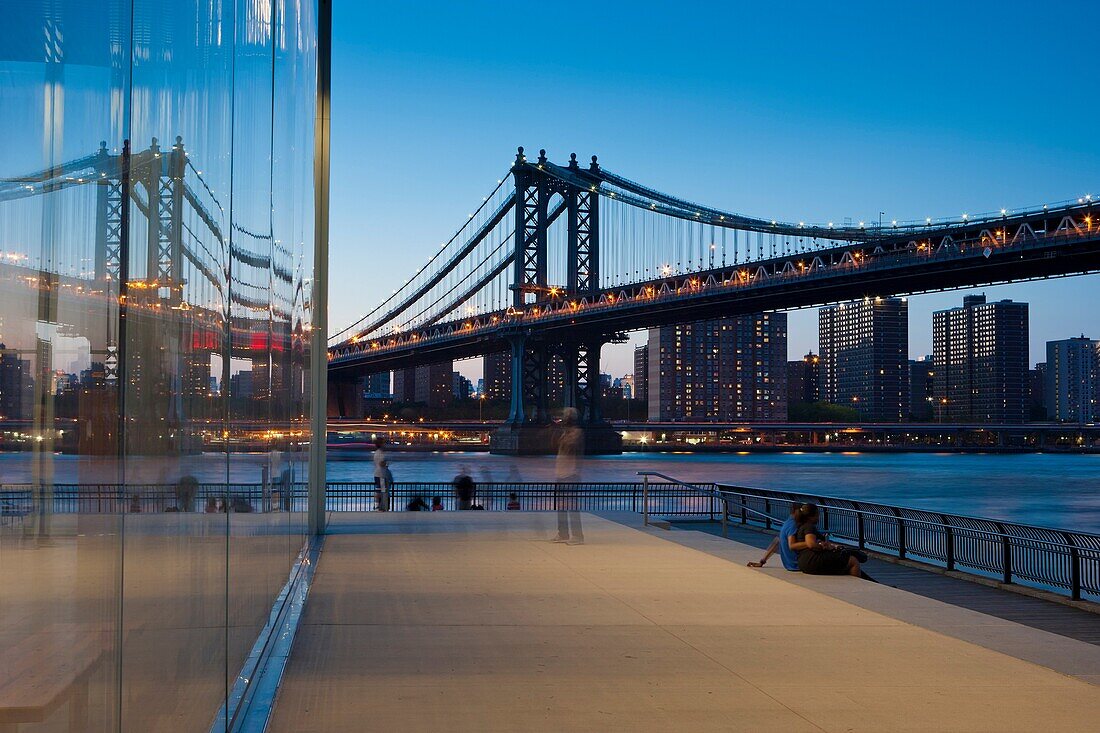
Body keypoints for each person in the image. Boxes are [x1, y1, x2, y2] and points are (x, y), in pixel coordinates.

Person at [794, 503, 875, 581]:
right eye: (817, 515)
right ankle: (856, 584)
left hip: (803, 561)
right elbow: (811, 544)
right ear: (811, 516)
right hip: (812, 561)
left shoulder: (800, 526)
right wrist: (823, 546)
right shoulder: (809, 527)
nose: (818, 517)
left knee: (843, 560)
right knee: (852, 560)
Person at [553, 408, 584, 544]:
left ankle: (578, 536)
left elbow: (574, 449)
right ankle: (563, 533)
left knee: (572, 506)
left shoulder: (576, 433)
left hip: (571, 474)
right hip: (560, 473)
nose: (564, 418)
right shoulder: (564, 433)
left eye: (566, 416)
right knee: (560, 506)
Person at [747, 503, 805, 571]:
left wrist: (762, 561)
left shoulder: (787, 523)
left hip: (789, 564)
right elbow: (791, 545)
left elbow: (776, 542)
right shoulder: (794, 525)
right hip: (796, 564)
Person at [373, 437, 391, 511]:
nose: (385, 444)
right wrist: (388, 462)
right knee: (383, 491)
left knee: (380, 490)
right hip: (381, 475)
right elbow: (382, 463)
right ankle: (383, 507)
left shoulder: (377, 453)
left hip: (378, 474)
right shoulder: (380, 453)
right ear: (381, 444)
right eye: (384, 443)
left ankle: (379, 506)